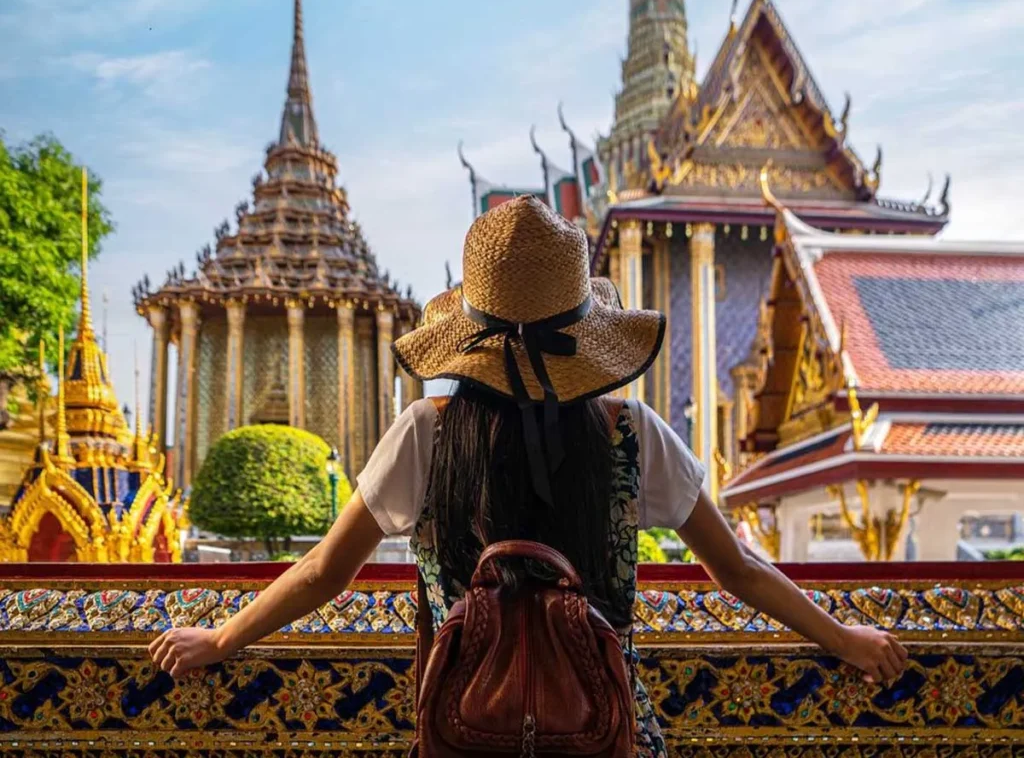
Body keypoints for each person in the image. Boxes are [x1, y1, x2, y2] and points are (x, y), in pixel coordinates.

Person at [150, 196, 907, 756]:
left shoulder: (427, 431)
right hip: (601, 726)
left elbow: (324, 572)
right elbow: (736, 569)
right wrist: (842, 637)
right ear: (583, 326)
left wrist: (221, 638)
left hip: (464, 723)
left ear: (469, 331)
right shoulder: (630, 432)